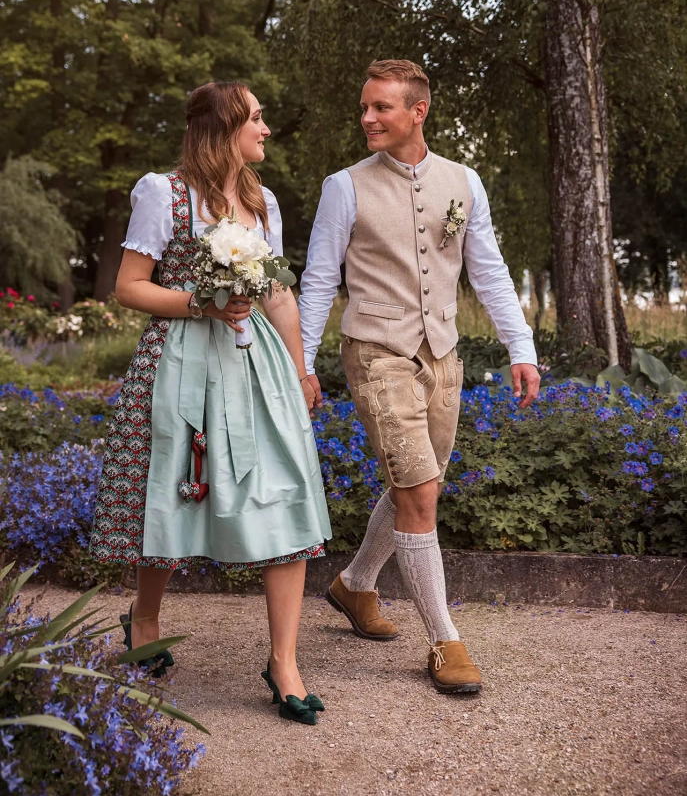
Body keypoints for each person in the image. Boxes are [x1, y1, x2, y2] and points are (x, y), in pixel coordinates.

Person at [89, 81, 331, 725]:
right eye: (256, 118)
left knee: (284, 496)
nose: (267, 129)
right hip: (181, 367)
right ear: (224, 128)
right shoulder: (161, 194)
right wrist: (202, 301)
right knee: (172, 491)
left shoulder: (264, 200)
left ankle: (284, 662)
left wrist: (302, 371)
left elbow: (278, 294)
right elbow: (130, 288)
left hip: (258, 368)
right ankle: (144, 620)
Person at [298, 59, 540, 694]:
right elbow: (319, 278)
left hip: (442, 352)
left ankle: (354, 586)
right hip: (375, 351)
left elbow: (488, 269)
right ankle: (445, 641)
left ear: (418, 111)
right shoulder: (344, 186)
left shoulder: (464, 181)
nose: (367, 118)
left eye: (380, 108)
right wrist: (300, 363)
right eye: (364, 107)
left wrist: (522, 346)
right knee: (421, 491)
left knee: (416, 484)